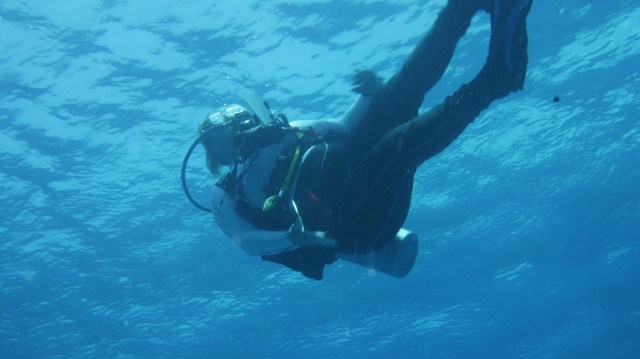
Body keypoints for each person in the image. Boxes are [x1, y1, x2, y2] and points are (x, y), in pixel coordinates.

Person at [186, 0, 533, 280]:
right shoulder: (226, 192)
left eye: (236, 121)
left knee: (396, 95)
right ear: (215, 153)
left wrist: (368, 94)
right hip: (353, 225)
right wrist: (291, 238)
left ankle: (463, 7)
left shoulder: (285, 130)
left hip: (351, 173)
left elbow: (346, 128)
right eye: (219, 140)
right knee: (395, 147)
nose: (237, 132)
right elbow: (246, 241)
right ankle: (496, 78)